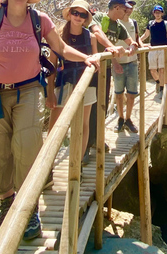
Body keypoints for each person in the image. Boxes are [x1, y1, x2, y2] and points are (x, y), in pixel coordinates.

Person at [0, 0, 99, 240]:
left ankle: (29, 207)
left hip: (26, 89)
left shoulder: (40, 20)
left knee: (27, 144)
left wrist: (86, 58)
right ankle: (6, 203)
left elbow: (61, 48)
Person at [84, 0, 138, 161]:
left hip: (105, 69)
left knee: (102, 105)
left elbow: (131, 41)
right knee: (89, 106)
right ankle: (85, 147)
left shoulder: (119, 26)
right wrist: (111, 47)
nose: (126, 13)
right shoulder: (99, 17)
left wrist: (132, 47)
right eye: (124, 10)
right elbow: (97, 33)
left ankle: (96, 140)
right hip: (90, 68)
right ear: (116, 8)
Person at [46, 0, 98, 170]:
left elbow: (96, 60)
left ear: (86, 18)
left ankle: (77, 164)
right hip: (64, 83)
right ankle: (47, 167)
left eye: (82, 14)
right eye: (75, 13)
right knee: (55, 126)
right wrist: (49, 91)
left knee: (83, 124)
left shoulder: (90, 37)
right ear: (69, 14)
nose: (78, 17)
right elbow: (51, 65)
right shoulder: (59, 36)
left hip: (85, 83)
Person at [113, 0, 144, 133]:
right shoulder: (115, 23)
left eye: (131, 7)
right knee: (119, 93)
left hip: (132, 62)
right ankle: (120, 119)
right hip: (118, 62)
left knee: (131, 93)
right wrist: (114, 62)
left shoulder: (134, 23)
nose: (129, 9)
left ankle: (128, 119)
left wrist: (143, 46)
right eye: (127, 7)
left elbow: (137, 39)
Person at [140, 5, 167, 99]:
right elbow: (146, 35)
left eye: (159, 12)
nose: (157, 14)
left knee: (162, 69)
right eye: (156, 12)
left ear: (162, 13)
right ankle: (158, 82)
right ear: (153, 13)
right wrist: (137, 41)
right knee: (153, 70)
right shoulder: (150, 24)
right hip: (153, 49)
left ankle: (162, 89)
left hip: (163, 49)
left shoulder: (166, 24)